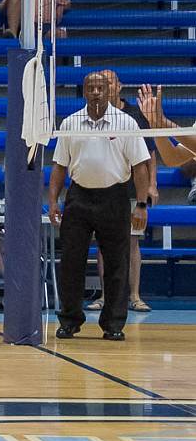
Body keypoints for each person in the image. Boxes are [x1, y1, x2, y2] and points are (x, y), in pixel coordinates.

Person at [49, 71, 153, 342]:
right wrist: (52, 201)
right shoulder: (71, 123)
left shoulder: (127, 123)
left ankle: (113, 323)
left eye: (101, 87)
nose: (96, 92)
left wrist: (141, 204)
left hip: (114, 198)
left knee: (117, 263)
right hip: (79, 197)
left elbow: (140, 166)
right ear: (84, 92)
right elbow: (59, 166)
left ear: (110, 91)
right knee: (71, 262)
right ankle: (70, 320)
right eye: (91, 88)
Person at [91, 71, 157, 314]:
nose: (106, 86)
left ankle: (135, 296)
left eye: (110, 82)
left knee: (132, 243)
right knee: (103, 244)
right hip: (104, 188)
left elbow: (150, 152)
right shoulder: (94, 113)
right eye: (102, 83)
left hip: (131, 189)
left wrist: (151, 185)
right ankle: (105, 296)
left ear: (119, 86)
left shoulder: (136, 115)